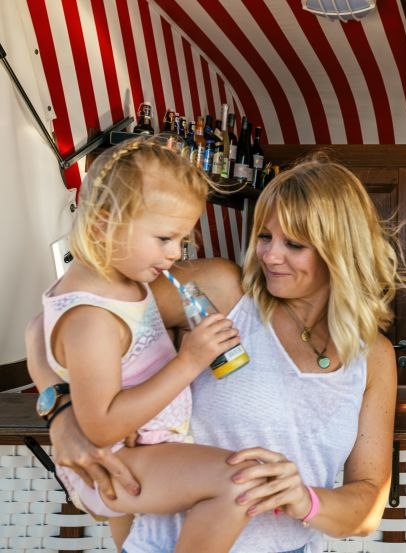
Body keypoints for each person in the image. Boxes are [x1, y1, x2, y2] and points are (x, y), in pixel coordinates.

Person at [27, 151, 406, 552]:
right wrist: (62, 415)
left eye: (294, 244)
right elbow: (54, 323)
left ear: (340, 251)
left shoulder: (373, 357)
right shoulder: (223, 293)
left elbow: (368, 505)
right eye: (264, 236)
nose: (270, 255)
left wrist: (305, 499)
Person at [29, 136, 256, 552]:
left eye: (181, 241)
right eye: (164, 238)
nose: (175, 254)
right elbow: (101, 427)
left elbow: (38, 330)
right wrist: (189, 361)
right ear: (104, 223)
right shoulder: (93, 318)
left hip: (145, 449)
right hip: (118, 463)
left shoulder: (123, 282)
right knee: (240, 483)